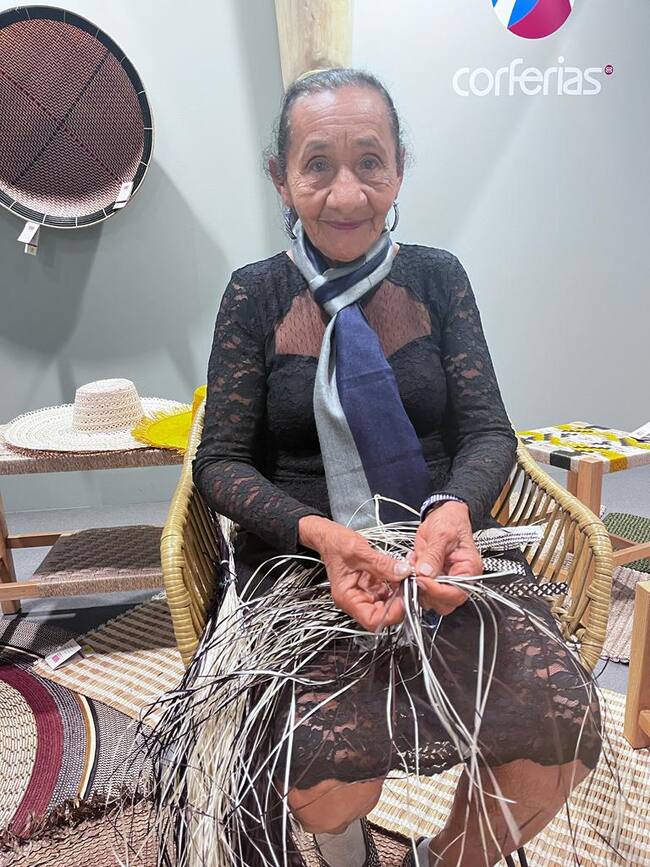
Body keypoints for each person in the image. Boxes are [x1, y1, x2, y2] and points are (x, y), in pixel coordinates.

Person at [191, 68, 601, 867]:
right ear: (280, 176)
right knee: (324, 778)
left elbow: (488, 430)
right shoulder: (256, 295)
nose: (347, 193)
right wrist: (321, 535)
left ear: (400, 169)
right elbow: (222, 462)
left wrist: (453, 510)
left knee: (558, 736)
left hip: (445, 552)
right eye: (317, 164)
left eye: (369, 162)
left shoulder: (438, 278)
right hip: (307, 567)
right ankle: (347, 846)